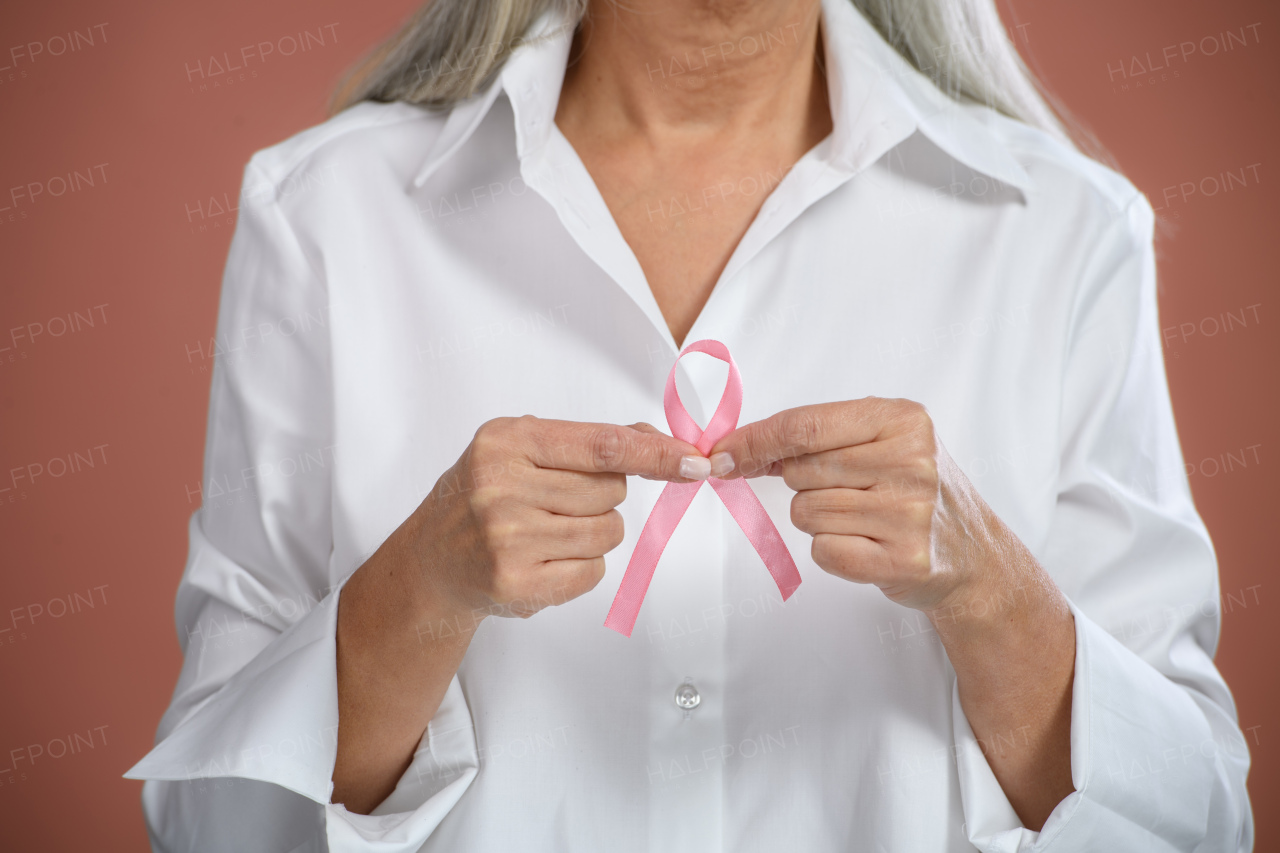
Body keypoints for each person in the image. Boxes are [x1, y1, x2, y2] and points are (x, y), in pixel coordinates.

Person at [125, 0, 1254, 850]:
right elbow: (212, 821)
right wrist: (415, 592)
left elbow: (1196, 817)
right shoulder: (326, 218)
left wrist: (995, 598)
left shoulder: (1059, 233)